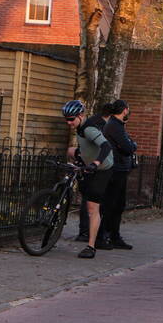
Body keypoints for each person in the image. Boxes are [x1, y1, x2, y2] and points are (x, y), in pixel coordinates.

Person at [62, 100, 114, 258]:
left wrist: (96, 163)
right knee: (70, 151)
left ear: (81, 116)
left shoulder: (89, 129)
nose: (68, 122)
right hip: (89, 162)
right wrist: (79, 159)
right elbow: (84, 147)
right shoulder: (79, 127)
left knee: (92, 208)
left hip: (102, 167)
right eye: (66, 119)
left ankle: (91, 246)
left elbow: (106, 146)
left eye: (71, 119)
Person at [102, 99, 137, 250]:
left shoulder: (116, 125)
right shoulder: (115, 126)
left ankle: (113, 235)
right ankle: (106, 235)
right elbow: (128, 146)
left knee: (118, 204)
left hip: (120, 168)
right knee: (112, 204)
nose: (128, 112)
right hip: (116, 169)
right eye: (128, 109)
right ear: (124, 110)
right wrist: (132, 145)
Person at [76, 104, 112, 242]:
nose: (68, 122)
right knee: (95, 203)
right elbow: (106, 146)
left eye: (71, 119)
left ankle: (87, 235)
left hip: (95, 165)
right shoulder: (94, 126)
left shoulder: (89, 125)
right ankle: (94, 237)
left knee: (90, 202)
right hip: (97, 166)